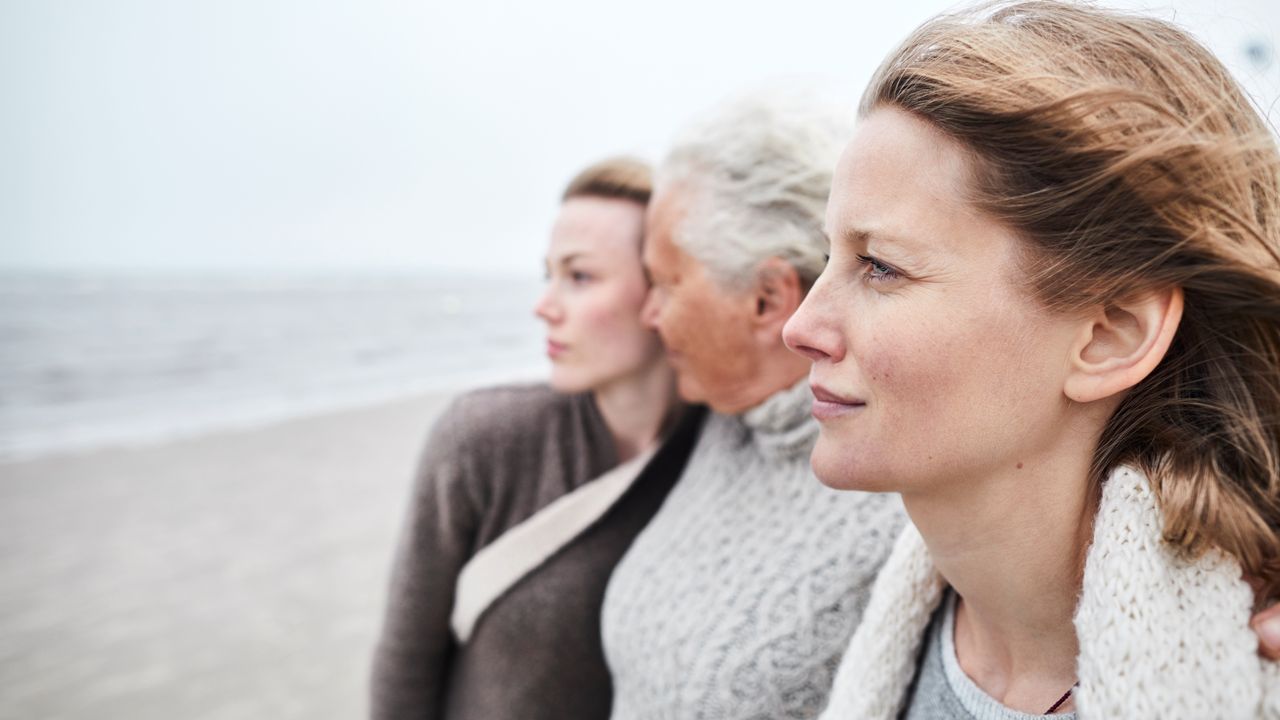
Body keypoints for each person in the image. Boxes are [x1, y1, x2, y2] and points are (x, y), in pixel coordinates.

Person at [780, 2, 1280, 717]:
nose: (803, 326)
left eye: (881, 266)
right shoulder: (830, 623)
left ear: (1111, 335)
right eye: (829, 256)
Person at [601, 93, 906, 719]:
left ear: (767, 300)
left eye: (665, 283)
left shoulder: (896, 501)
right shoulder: (723, 422)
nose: (648, 314)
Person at [370, 157, 705, 720]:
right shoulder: (482, 440)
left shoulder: (722, 449)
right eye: (547, 275)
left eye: (579, 277)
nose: (543, 306)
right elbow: (406, 658)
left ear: (663, 290)